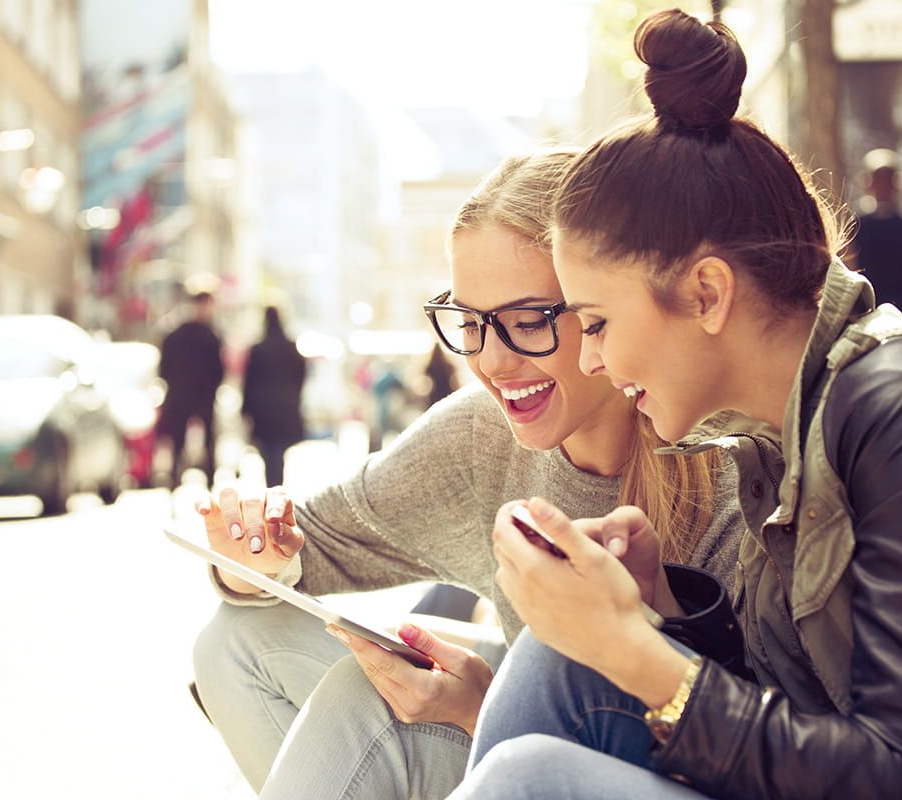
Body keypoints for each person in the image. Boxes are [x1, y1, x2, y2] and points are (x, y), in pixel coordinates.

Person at [450, 10, 902, 799]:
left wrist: (630, 645)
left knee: (531, 778)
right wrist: (662, 603)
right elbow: (802, 715)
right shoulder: (781, 435)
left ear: (705, 292)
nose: (590, 357)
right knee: (557, 660)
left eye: (595, 322)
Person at [189, 149, 746, 798]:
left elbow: (756, 750)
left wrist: (485, 709)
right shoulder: (479, 435)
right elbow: (309, 546)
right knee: (241, 644)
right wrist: (251, 551)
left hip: (651, 772)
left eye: (527, 320)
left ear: (602, 308)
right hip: (523, 747)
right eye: (471, 323)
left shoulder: (725, 463)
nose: (493, 361)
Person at [157, 287, 224, 487]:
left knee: (182, 441)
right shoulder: (209, 335)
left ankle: (176, 480)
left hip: (183, 395)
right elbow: (218, 370)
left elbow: (164, 369)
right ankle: (204, 481)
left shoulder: (174, 335)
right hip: (198, 396)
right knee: (203, 441)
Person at [849, 148, 902, 318]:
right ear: (867, 183)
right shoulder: (855, 225)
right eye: (878, 180)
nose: (882, 187)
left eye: (887, 180)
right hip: (866, 309)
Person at [241, 304, 307, 486]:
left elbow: (249, 381)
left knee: (269, 452)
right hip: (286, 407)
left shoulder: (258, 349)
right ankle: (276, 488)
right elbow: (301, 377)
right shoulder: (291, 348)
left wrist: (246, 409)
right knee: (278, 452)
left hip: (263, 410)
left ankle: (273, 488)